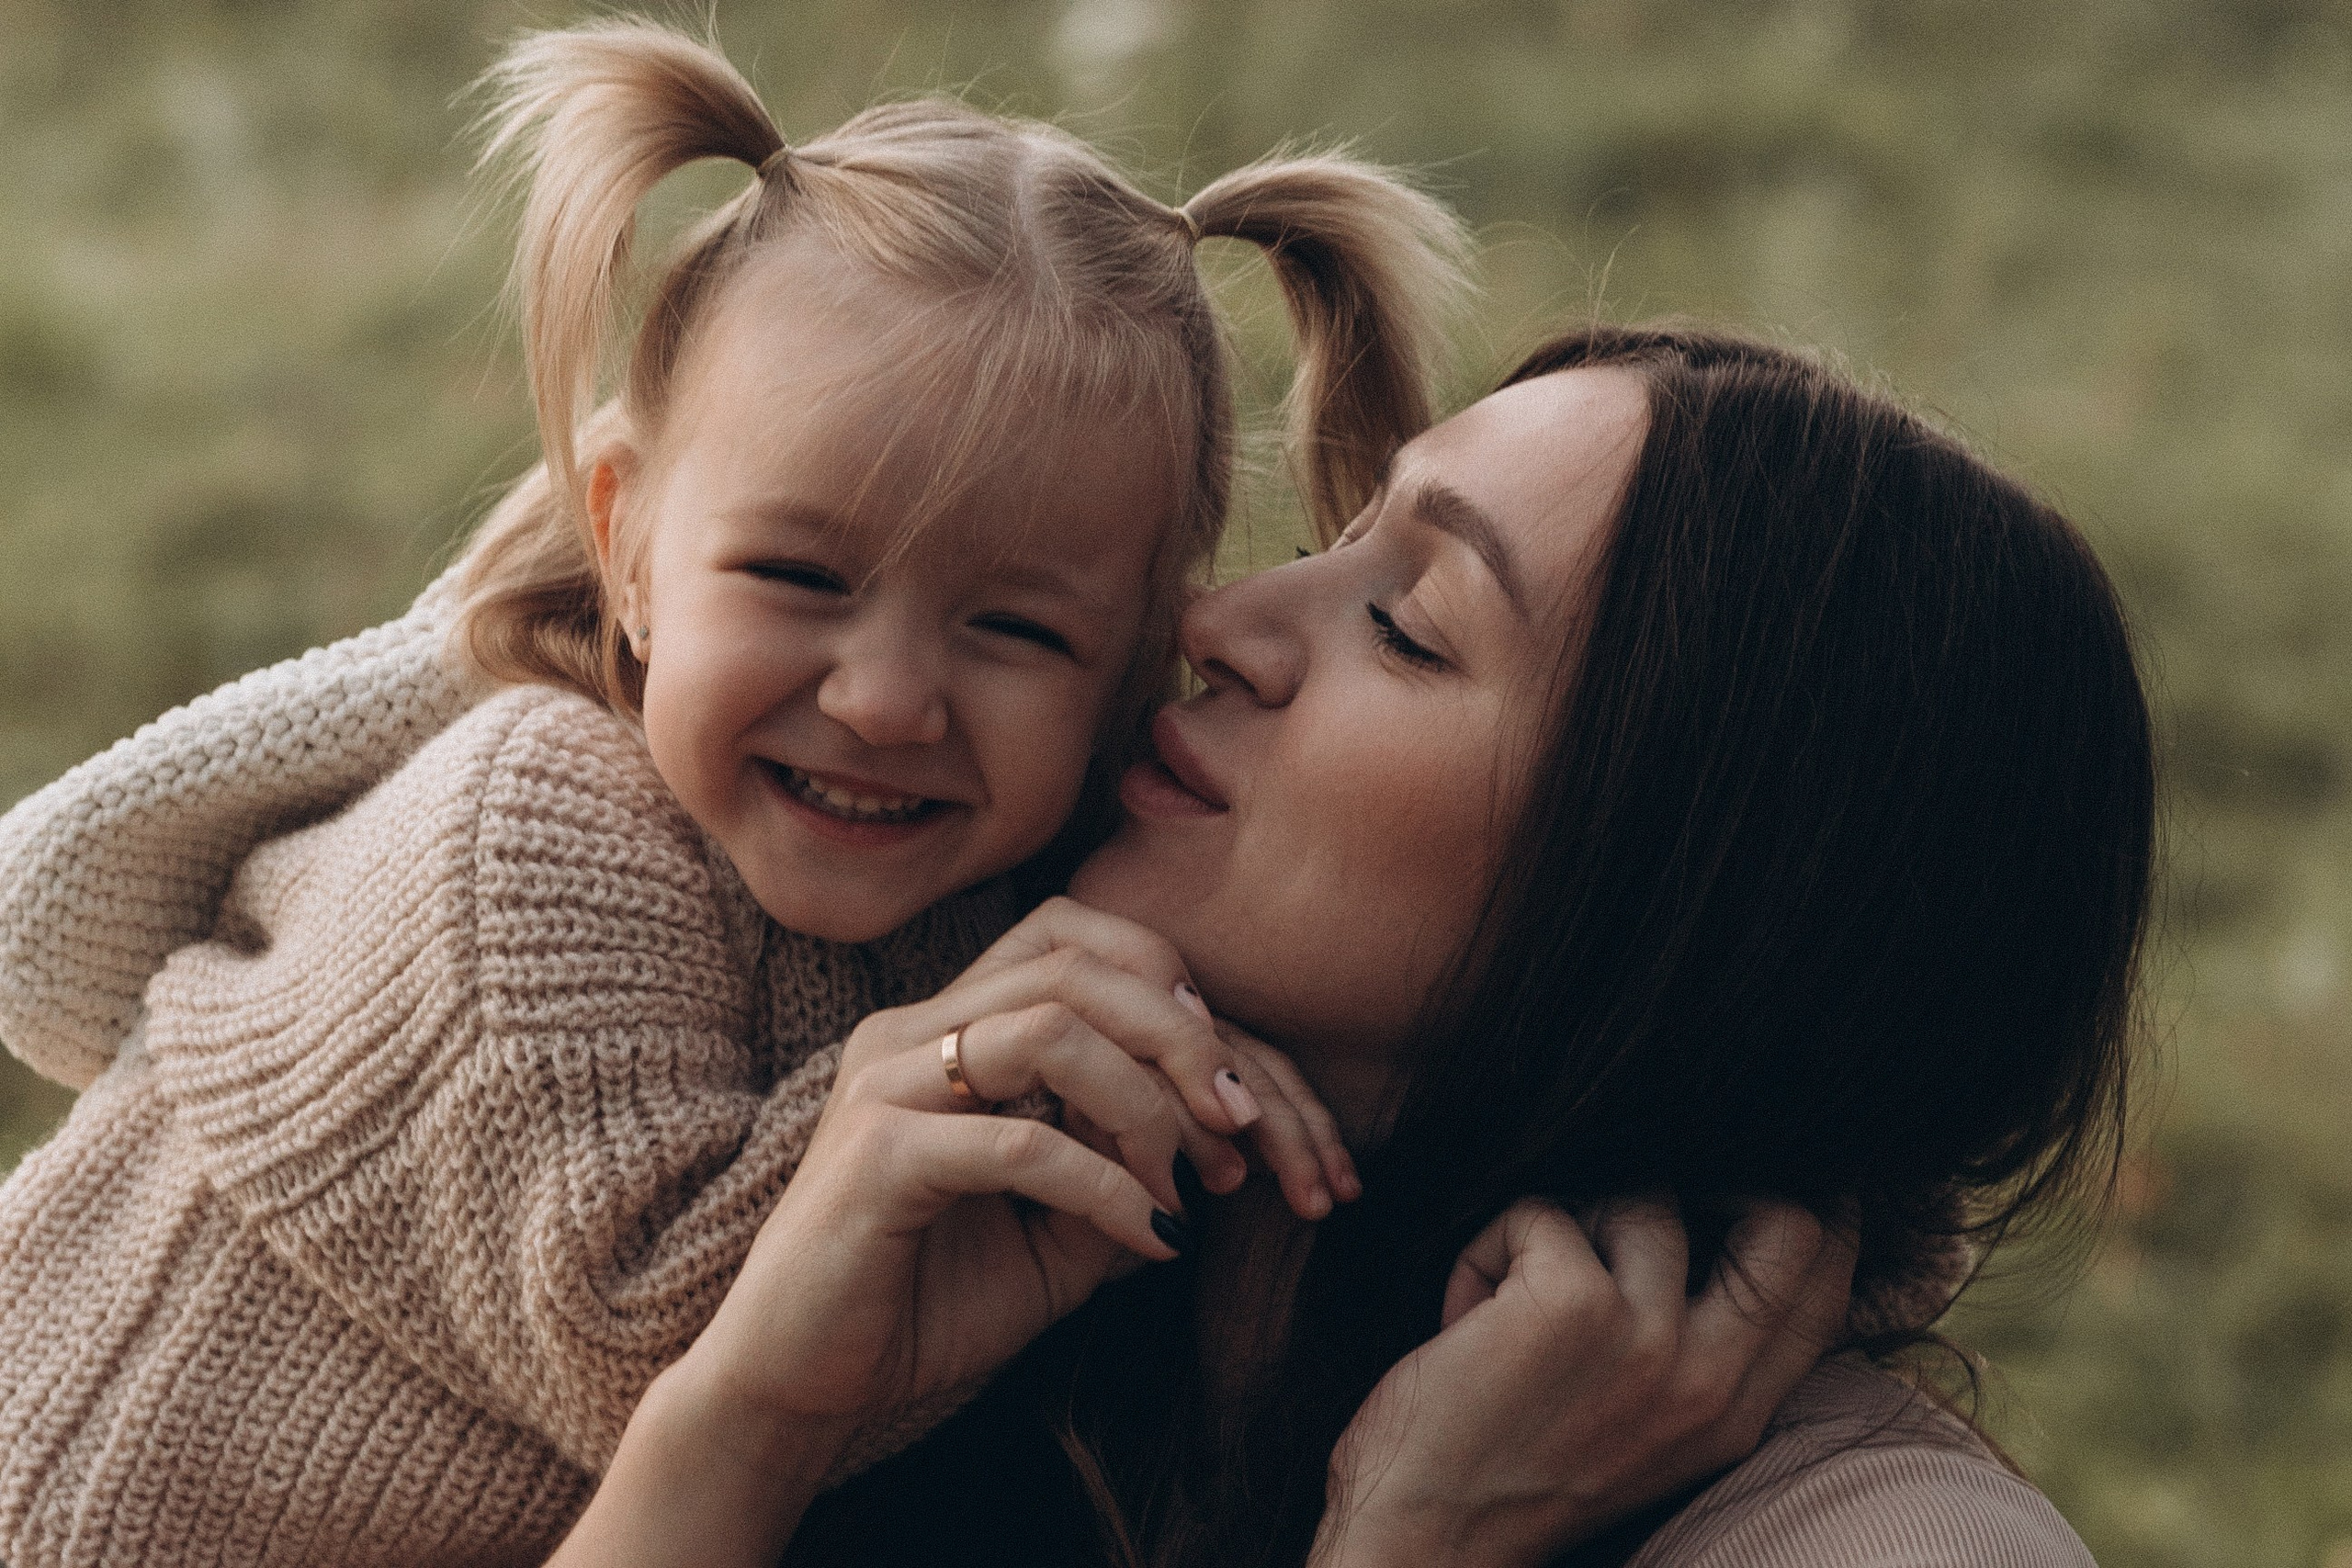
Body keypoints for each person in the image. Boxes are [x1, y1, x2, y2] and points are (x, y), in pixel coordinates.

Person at [0, 19, 1468, 1566]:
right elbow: (678, 1346)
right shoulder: (533, 837)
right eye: (798, 575)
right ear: (629, 548)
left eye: (1019, 628)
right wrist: (1076, 1083)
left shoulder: (968, 883)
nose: (885, 698)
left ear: (1132, 674)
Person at [543, 323, 2153, 1566]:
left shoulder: (1878, 1543)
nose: (1222, 620)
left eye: (1407, 624)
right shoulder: (992, 1208)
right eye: (1344, 533)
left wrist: (1413, 1542)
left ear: (1684, 901)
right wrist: (752, 1412)